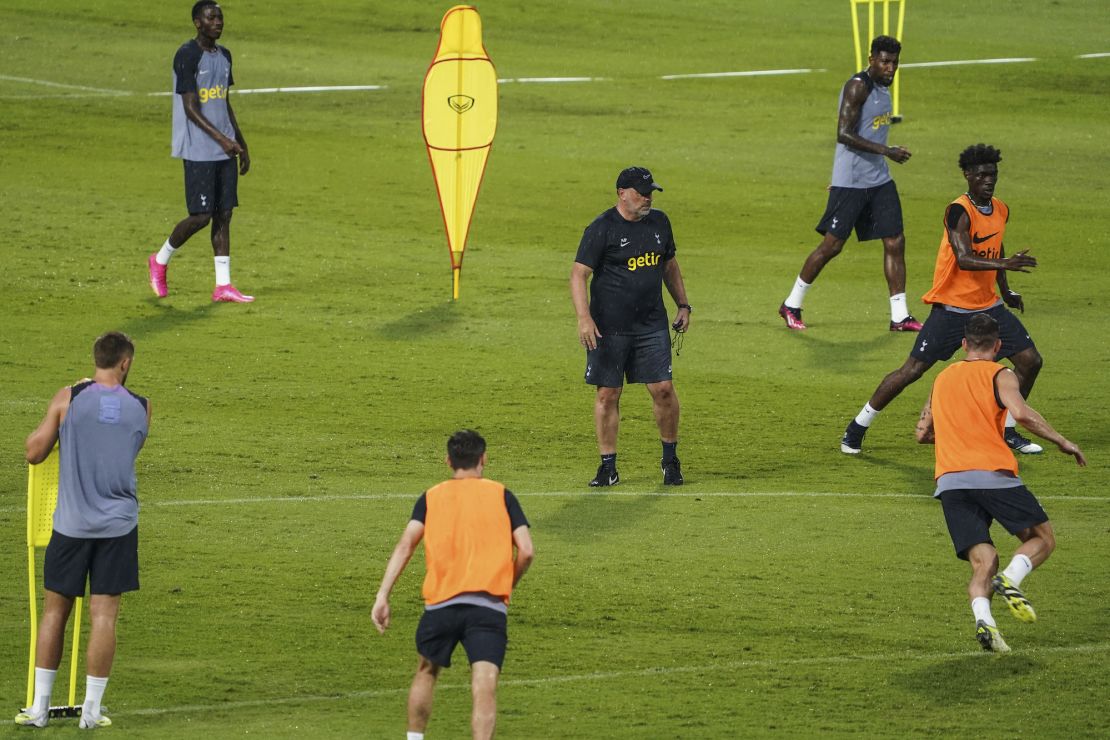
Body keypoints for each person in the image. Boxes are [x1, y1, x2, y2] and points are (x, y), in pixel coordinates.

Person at [841, 143, 1045, 455]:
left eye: (993, 174)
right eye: (982, 175)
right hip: (952, 310)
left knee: (1031, 362)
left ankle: (1007, 430)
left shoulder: (1001, 209)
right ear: (968, 176)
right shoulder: (958, 211)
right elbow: (964, 258)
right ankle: (857, 427)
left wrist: (1005, 290)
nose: (989, 180)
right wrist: (1005, 265)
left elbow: (996, 246)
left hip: (989, 308)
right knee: (912, 371)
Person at [914, 313, 1085, 652]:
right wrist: (1062, 441)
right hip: (992, 475)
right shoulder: (1001, 373)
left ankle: (985, 622)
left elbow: (922, 433)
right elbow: (1020, 414)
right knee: (1042, 539)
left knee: (983, 560)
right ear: (998, 346)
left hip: (950, 482)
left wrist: (957, 432)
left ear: (964, 345)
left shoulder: (942, 378)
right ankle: (1011, 579)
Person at [16, 332, 151, 729]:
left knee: (55, 613)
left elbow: (34, 452)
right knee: (104, 617)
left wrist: (58, 417)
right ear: (124, 363)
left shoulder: (68, 398)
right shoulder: (143, 408)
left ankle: (40, 708)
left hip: (71, 525)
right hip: (118, 527)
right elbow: (127, 449)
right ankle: (90, 711)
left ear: (96, 360)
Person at [372, 430, 534, 740]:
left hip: (441, 605)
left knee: (426, 672)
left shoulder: (431, 497)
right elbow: (526, 550)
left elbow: (406, 544)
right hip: (488, 607)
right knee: (484, 683)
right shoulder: (502, 495)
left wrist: (383, 594)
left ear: (448, 461)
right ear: (483, 459)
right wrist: (506, 585)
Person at [779, 35, 920, 332]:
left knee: (895, 240)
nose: (890, 68)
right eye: (884, 61)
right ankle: (791, 304)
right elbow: (843, 133)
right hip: (852, 181)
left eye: (894, 62)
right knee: (832, 246)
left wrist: (884, 157)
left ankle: (900, 316)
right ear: (871, 59)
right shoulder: (858, 87)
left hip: (879, 179)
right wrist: (888, 151)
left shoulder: (884, 90)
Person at [570, 166, 692, 487]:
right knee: (608, 394)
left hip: (651, 324)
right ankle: (608, 466)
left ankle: (670, 460)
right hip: (608, 329)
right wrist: (584, 318)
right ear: (621, 193)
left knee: (663, 390)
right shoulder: (601, 229)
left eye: (650, 192)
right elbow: (578, 274)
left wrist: (682, 304)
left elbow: (669, 265)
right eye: (641, 192)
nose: (647, 198)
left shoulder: (660, 223)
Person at [148, 0, 253, 303]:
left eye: (220, 17)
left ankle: (223, 286)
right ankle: (160, 259)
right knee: (201, 216)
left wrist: (241, 142)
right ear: (197, 22)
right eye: (211, 17)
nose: (218, 22)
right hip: (199, 149)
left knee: (223, 214)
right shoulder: (187, 55)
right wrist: (222, 140)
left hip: (225, 147)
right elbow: (191, 108)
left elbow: (224, 102)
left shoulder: (224, 56)